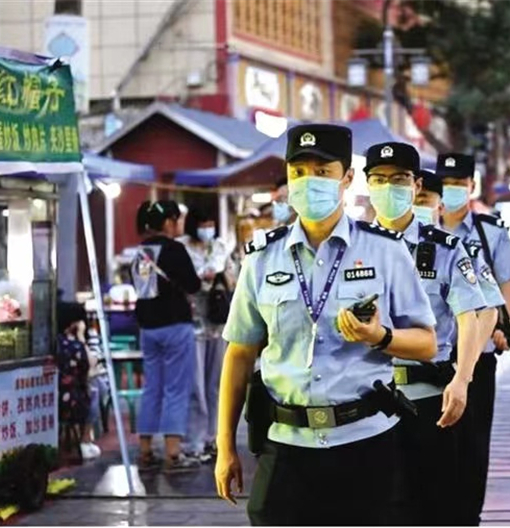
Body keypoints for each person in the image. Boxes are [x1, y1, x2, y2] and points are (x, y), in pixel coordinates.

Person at [215, 124, 438, 526]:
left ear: (347, 178)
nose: (308, 182)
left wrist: (381, 337)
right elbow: (240, 353)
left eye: (322, 171)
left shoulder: (385, 251)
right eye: (298, 172)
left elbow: (426, 343)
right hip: (285, 446)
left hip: (365, 443)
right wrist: (224, 445)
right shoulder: (262, 258)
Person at [365, 143, 501, 525]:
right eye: (379, 180)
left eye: (398, 179)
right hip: (366, 399)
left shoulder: (445, 248)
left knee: (434, 505)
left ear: (416, 185)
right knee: (376, 507)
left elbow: (476, 313)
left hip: (426, 397)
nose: (388, 189)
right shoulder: (350, 247)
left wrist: (463, 378)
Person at [439, 153, 510, 525]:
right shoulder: (422, 230)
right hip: (433, 354)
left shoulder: (490, 232)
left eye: (458, 184)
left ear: (471, 187)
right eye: (445, 183)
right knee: (436, 440)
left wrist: (501, 326)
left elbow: (506, 290)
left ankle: (468, 515)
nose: (451, 190)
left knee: (473, 440)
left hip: (478, 355)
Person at [132, 200, 202, 472]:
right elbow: (193, 285)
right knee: (175, 388)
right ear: (169, 222)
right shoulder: (175, 250)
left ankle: (146, 449)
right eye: (177, 219)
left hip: (148, 327)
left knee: (152, 387)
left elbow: (143, 290)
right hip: (175, 325)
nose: (180, 224)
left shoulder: (142, 251)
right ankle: (173, 452)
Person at [181, 206, 232, 462]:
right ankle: (194, 441)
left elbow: (229, 274)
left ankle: (214, 437)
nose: (207, 228)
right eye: (203, 224)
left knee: (216, 384)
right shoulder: (181, 247)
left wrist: (218, 277)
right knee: (195, 386)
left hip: (217, 322)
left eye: (210, 223)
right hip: (192, 323)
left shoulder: (219, 246)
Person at [56, 302, 101, 460]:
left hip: (65, 391)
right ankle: (85, 439)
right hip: (72, 395)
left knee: (96, 387)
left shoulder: (59, 341)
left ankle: (85, 437)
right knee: (94, 390)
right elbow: (91, 363)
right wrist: (81, 339)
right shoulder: (72, 344)